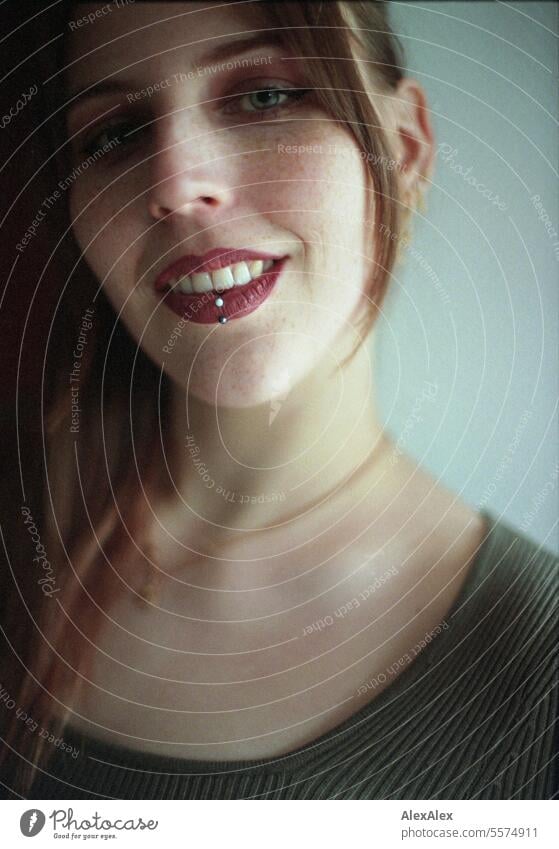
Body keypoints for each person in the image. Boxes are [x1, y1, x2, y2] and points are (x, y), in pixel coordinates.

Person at [0, 0, 556, 800]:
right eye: (115, 132)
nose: (177, 186)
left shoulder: (538, 676)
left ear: (404, 149)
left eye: (264, 94)